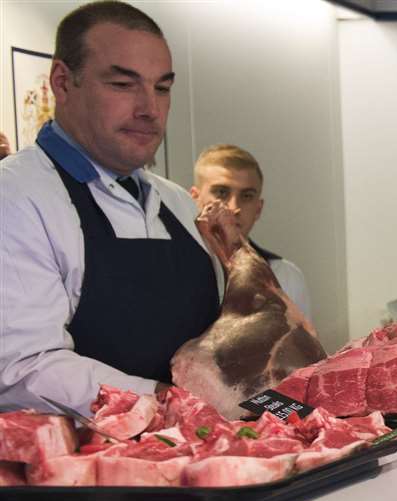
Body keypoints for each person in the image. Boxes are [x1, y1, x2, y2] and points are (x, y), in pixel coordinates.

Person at [0, 0, 225, 413]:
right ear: (63, 83)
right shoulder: (14, 196)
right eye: (123, 85)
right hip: (81, 468)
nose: (149, 109)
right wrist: (170, 404)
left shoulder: (176, 201)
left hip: (201, 458)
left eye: (162, 87)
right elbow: (21, 369)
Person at [191, 143, 313, 321]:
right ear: (194, 199)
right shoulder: (177, 269)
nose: (233, 208)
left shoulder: (285, 276)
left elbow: (303, 346)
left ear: (258, 208)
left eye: (246, 196)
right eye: (221, 192)